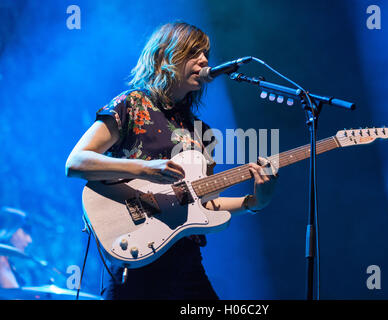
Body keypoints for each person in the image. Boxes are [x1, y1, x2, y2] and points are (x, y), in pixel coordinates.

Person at [65, 21, 278, 300]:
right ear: (166, 56)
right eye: (194, 53)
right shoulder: (132, 104)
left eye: (205, 54)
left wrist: (255, 202)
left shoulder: (204, 133)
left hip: (186, 262)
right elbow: (76, 162)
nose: (203, 60)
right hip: (136, 258)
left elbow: (205, 202)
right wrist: (145, 168)